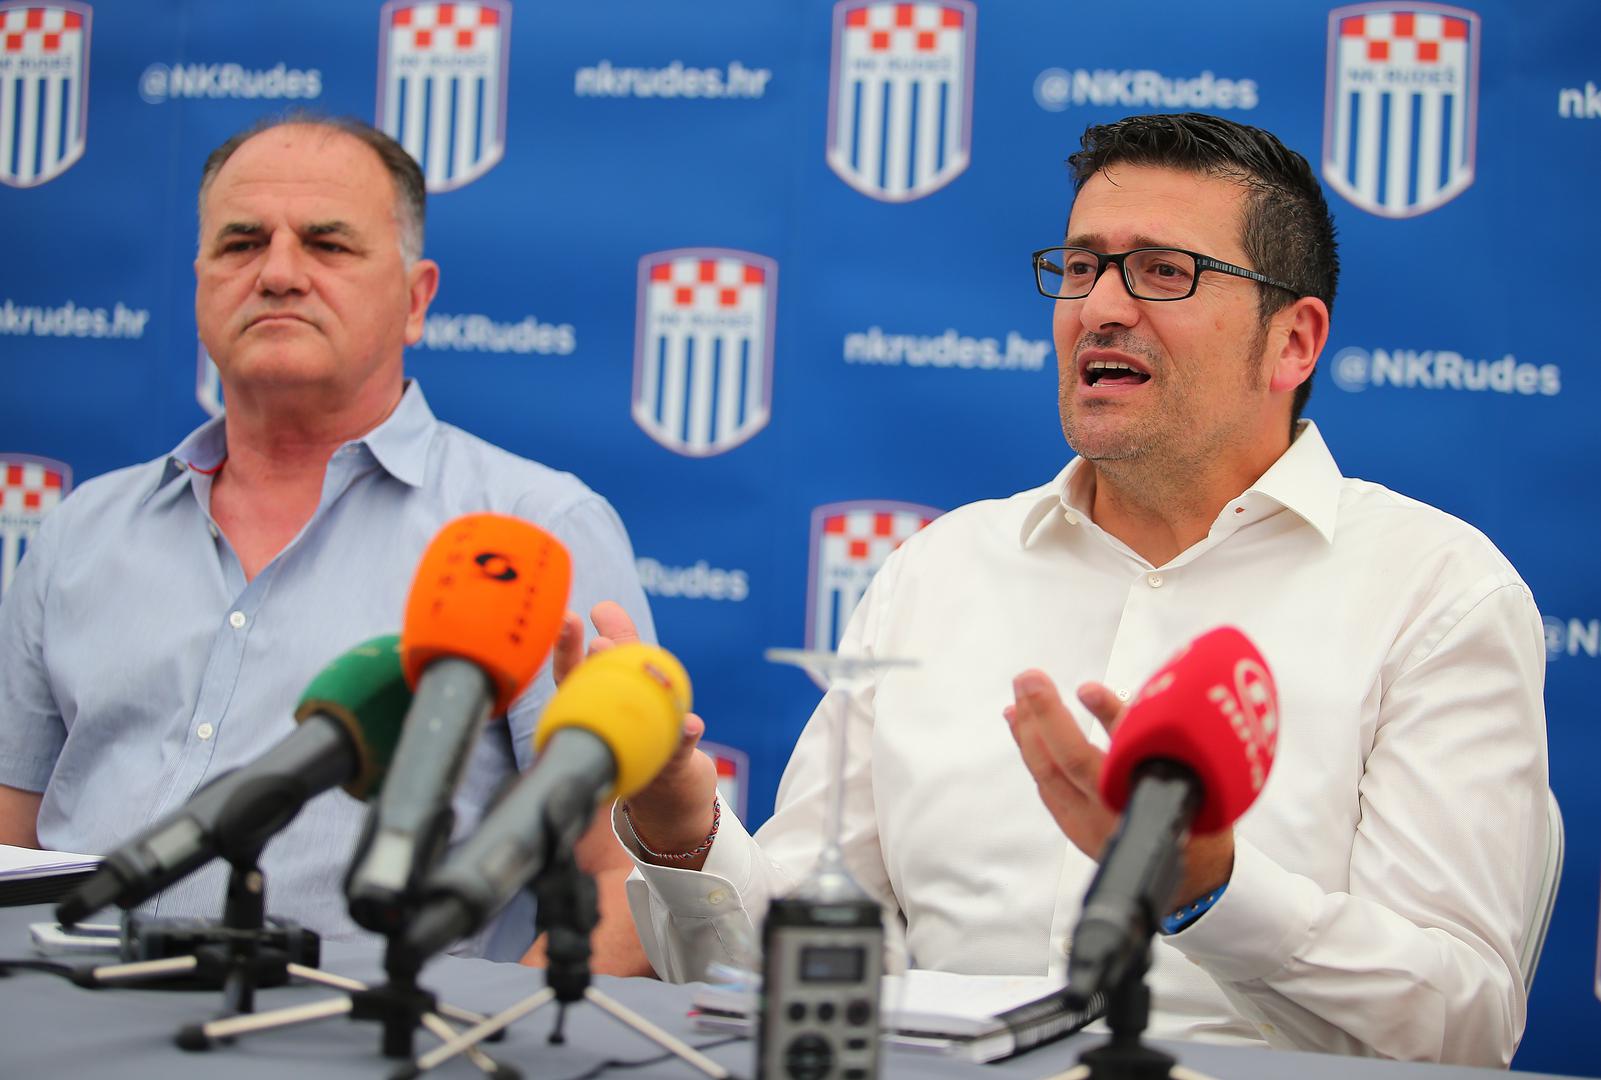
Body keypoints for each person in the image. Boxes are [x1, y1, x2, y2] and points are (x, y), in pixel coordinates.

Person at [600, 113, 1549, 1064]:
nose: (1099, 306)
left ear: (1292, 343)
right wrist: (685, 837)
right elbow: (790, 977)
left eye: (1164, 272)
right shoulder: (939, 569)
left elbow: (1460, 1027)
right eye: (1083, 266)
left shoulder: (1434, 594)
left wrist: (1211, 888)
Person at [0, 115, 655, 971]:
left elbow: (625, 882)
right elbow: (10, 842)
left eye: (327, 244)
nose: (277, 274)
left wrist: (482, 1039)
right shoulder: (80, 530)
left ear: (416, 298)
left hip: (373, 1032)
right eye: (241, 243)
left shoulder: (534, 530)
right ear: (199, 285)